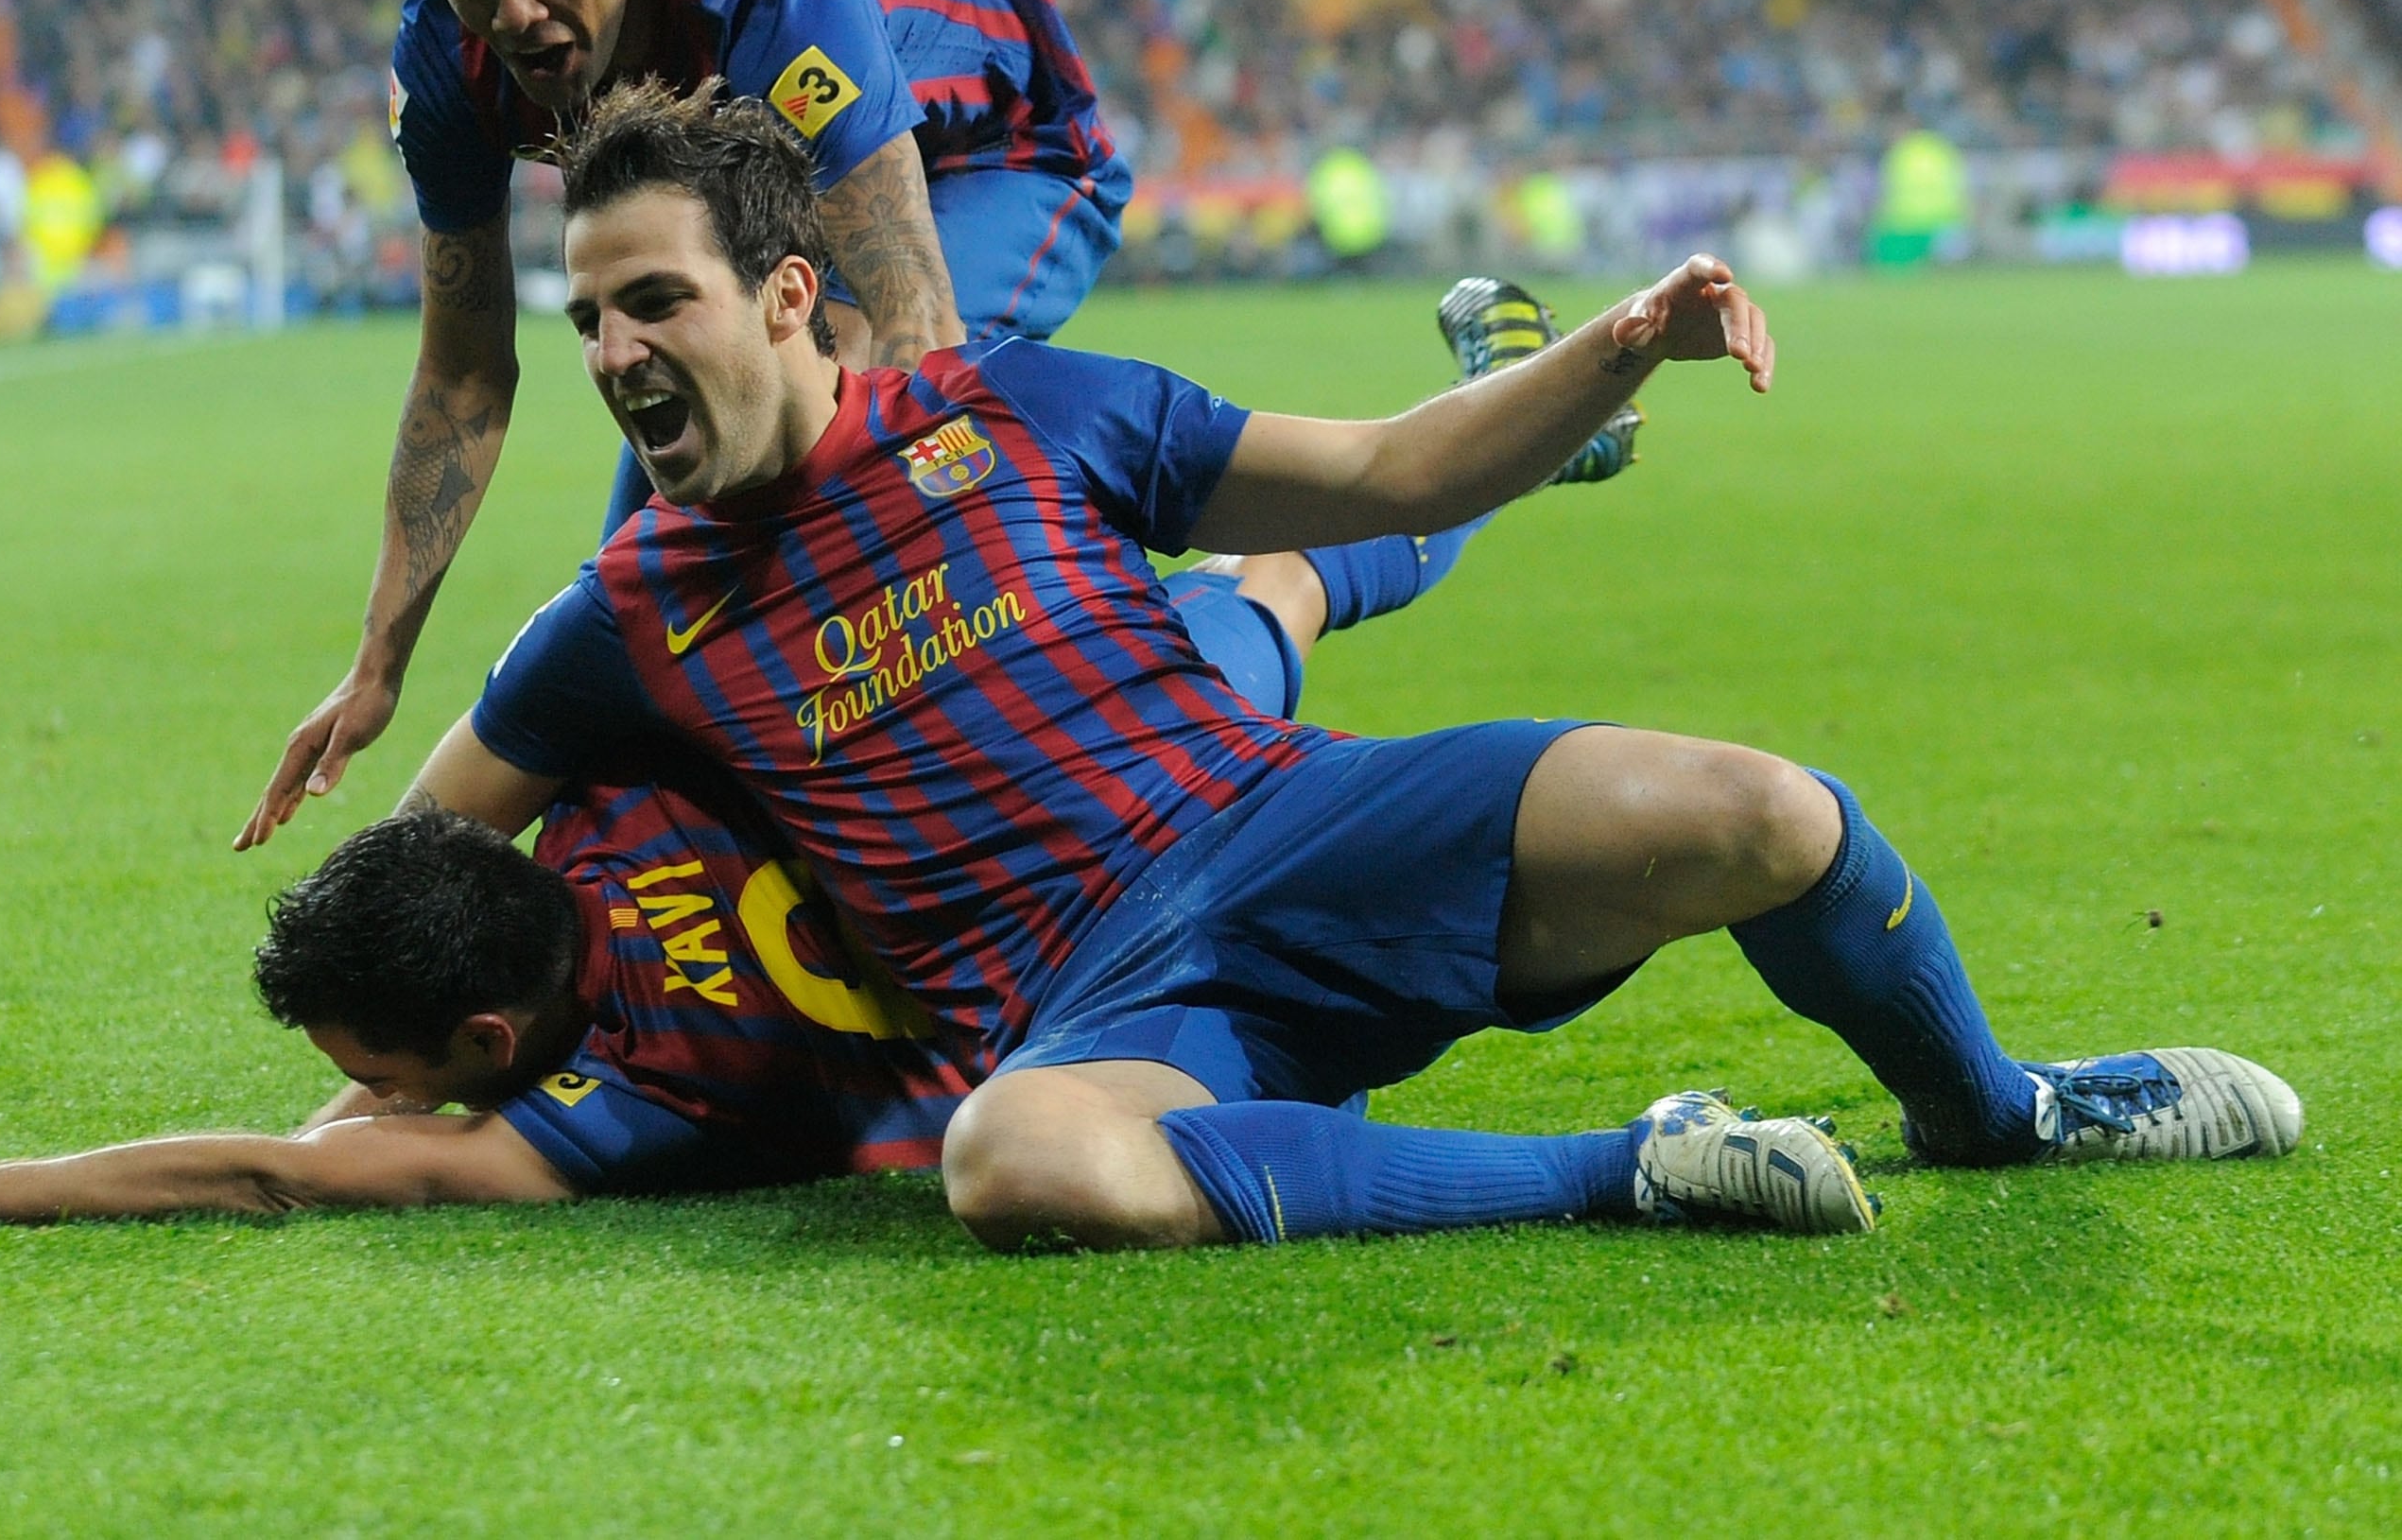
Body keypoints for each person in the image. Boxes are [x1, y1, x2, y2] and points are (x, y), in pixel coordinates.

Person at [406, 78, 2301, 1254]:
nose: (613, 349)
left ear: (787, 297)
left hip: (1282, 818)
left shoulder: (1026, 412)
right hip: (1104, 1007)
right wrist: (397, 1069)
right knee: (1024, 1165)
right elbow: (412, 880)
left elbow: (1383, 470)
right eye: (592, 318)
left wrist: (1621, 348)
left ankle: (1996, 1104)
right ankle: (1624, 1171)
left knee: (1767, 816)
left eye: (654, 300)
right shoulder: (625, 613)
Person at [238, 0, 1623, 850]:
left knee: (788, 475)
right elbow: (469, 375)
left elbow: (911, 347)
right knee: (679, 540)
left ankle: (1466, 464)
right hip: (794, 222)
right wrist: (378, 662)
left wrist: (954, 677)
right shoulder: (449, 60)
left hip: (1002, 155)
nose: (516, 17)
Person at [0, 548, 1430, 1233]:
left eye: (389, 1069)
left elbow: (256, 1172)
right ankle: (1508, 454)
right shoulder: (606, 803)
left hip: (1115, 1015)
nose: (368, 1099)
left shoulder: (628, 1106)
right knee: (1265, 585)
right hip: (1075, 795)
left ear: (495, 1032)